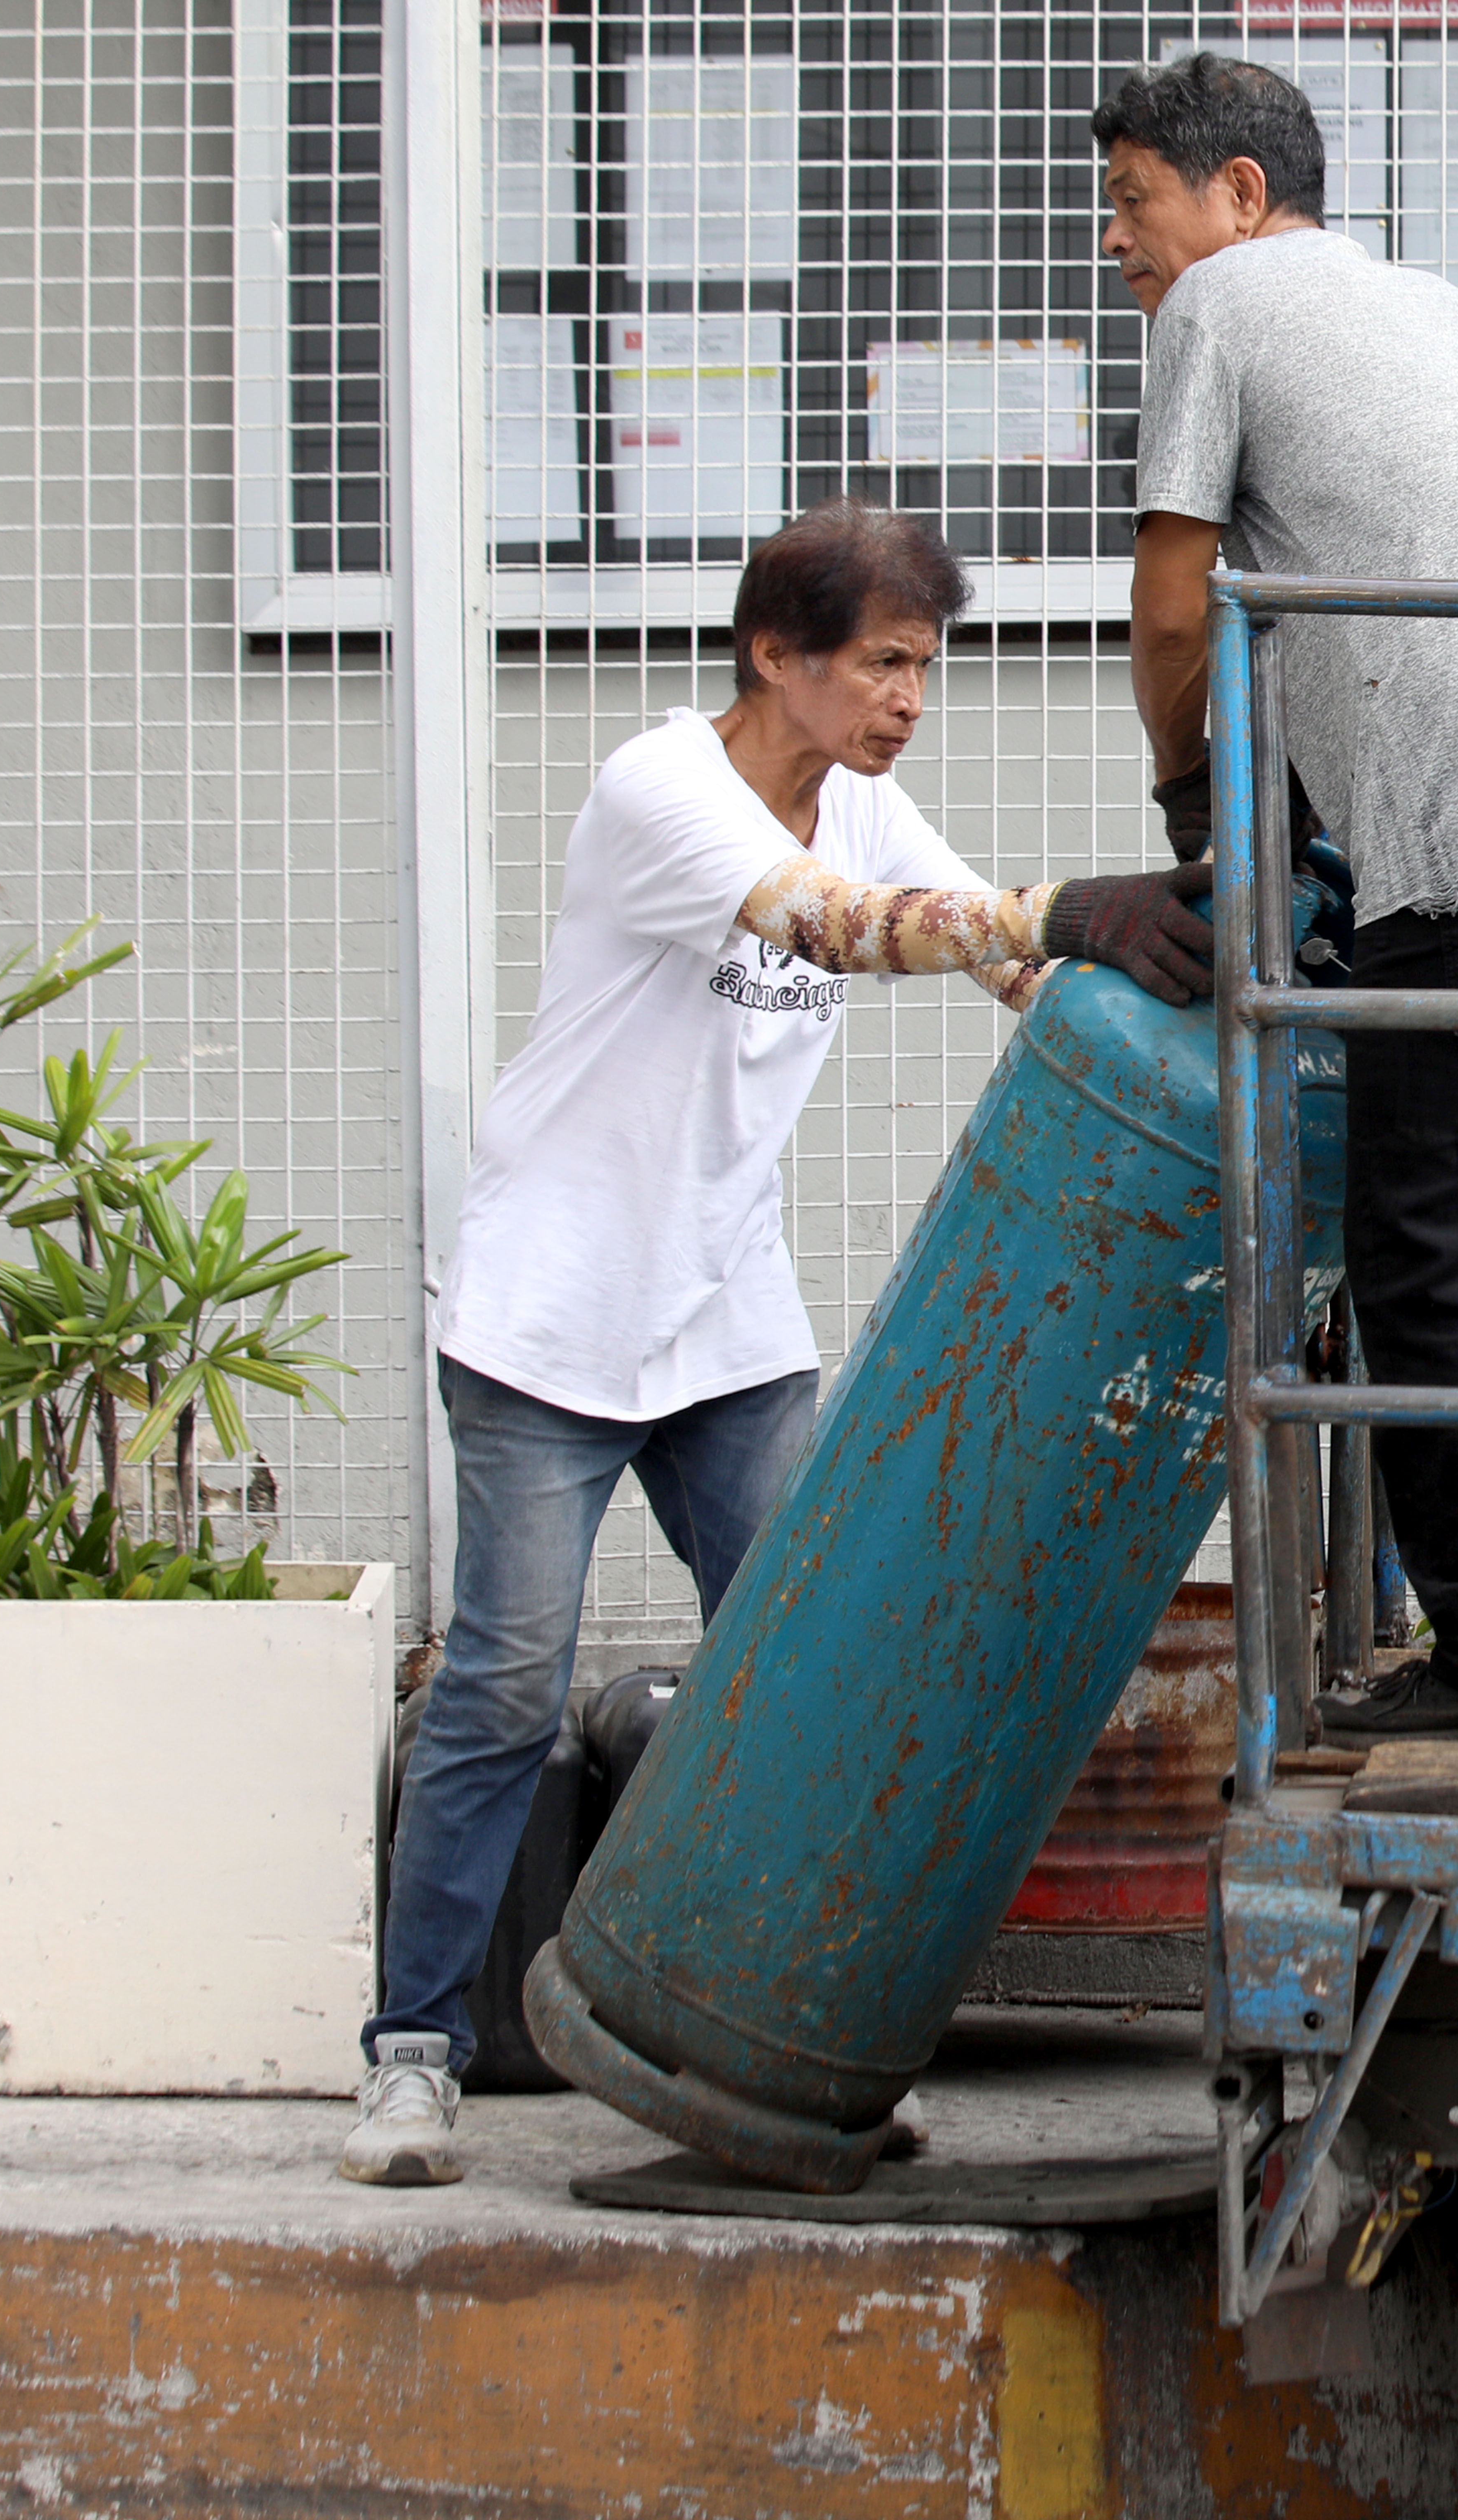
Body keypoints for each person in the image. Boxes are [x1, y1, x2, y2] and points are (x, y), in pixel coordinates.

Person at [342, 501, 1217, 2186]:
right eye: (881, 664)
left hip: (724, 1330)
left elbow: (1016, 967)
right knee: (506, 1689)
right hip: (549, 1323)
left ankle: (795, 2057)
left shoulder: (870, 804)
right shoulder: (662, 790)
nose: (906, 699)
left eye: (922, 668)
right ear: (776, 655)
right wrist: (1063, 915)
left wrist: (1173, 982)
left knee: (825, 1666)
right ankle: (413, 2058)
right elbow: (837, 925)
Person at [1094, 55, 1458, 1745]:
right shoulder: (1436, 307)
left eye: (1137, 201)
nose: (1120, 243)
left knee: (1426, 1264)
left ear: (1242, 198)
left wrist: (1191, 802)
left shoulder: (1221, 312)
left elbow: (1175, 613)